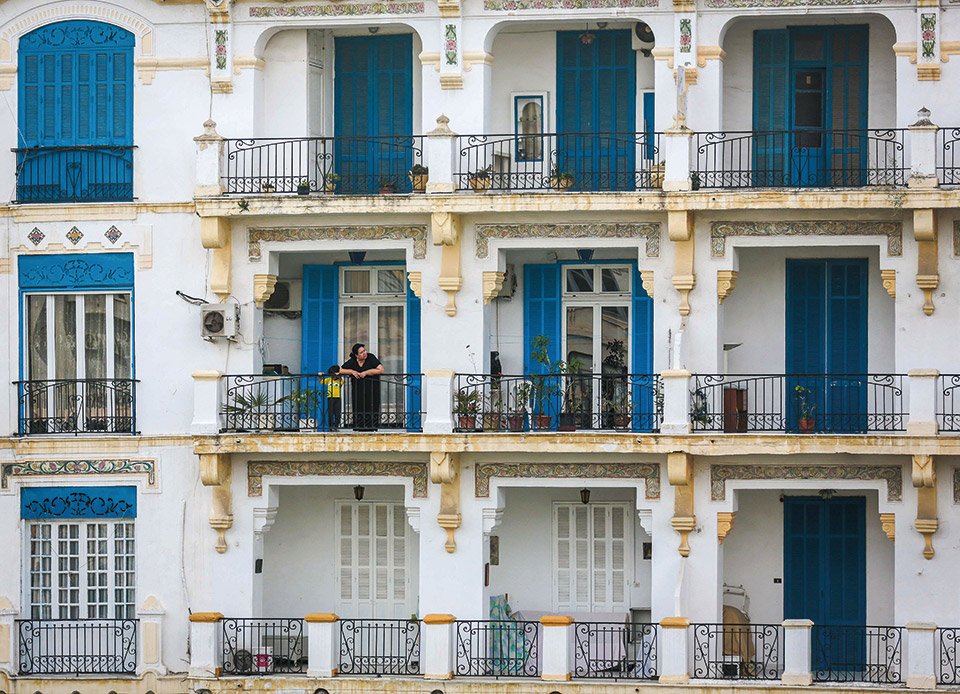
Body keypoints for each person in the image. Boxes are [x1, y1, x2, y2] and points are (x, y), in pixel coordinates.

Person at [340, 343, 384, 430]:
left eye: (364, 350)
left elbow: (381, 370)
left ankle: (372, 426)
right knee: (358, 405)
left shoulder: (371, 357)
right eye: (361, 352)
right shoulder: (353, 361)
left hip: (372, 388)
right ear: (356, 355)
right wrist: (352, 372)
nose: (364, 353)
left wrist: (366, 373)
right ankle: (358, 426)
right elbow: (341, 370)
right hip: (358, 389)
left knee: (372, 405)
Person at [320, 365, 342, 431]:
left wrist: (340, 374)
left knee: (337, 413)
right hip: (330, 398)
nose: (333, 376)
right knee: (330, 413)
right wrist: (320, 375)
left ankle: (336, 426)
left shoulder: (339, 380)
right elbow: (321, 381)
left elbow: (341, 382)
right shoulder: (329, 379)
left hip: (337, 398)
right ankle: (330, 426)